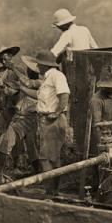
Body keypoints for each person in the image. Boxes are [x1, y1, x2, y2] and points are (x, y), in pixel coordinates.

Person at [19, 49, 70, 198]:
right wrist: (22, 89)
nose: (37, 67)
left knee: (46, 158)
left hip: (51, 121)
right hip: (46, 120)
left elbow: (64, 95)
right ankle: (53, 191)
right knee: (52, 157)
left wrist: (57, 112)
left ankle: (50, 192)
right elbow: (40, 96)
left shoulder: (56, 76)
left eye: (39, 64)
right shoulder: (48, 78)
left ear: (44, 65)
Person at [0, 54, 42, 179]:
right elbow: (14, 90)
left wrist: (13, 68)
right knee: (31, 146)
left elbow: (24, 84)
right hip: (28, 117)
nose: (27, 70)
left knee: (6, 141)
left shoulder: (38, 83)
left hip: (25, 117)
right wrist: (2, 88)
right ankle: (39, 173)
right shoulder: (28, 82)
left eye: (29, 69)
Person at [0, 45, 23, 128]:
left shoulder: (19, 70)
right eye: (1, 60)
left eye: (5, 59)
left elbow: (22, 86)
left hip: (16, 104)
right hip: (2, 105)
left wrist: (5, 86)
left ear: (10, 57)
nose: (3, 62)